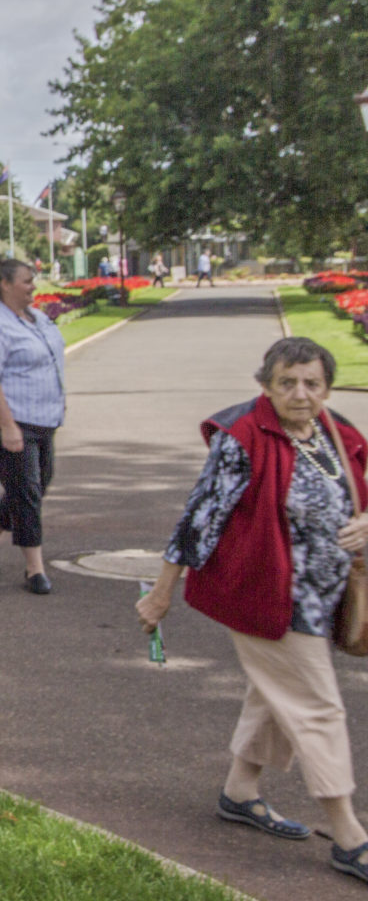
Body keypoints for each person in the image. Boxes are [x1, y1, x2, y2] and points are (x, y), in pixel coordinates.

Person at [136, 338, 368, 884]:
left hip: (324, 595)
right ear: (265, 384)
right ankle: (349, 834)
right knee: (317, 707)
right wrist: (162, 591)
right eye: (286, 382)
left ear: (327, 387)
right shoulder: (244, 438)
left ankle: (240, 792)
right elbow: (199, 518)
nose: (300, 394)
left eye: (312, 383)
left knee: (275, 692)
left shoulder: (335, 432)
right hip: (268, 596)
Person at [0, 257, 66, 594]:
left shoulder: (38, 319)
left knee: (37, 483)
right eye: (26, 281)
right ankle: (34, 569)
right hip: (7, 418)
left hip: (42, 418)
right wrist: (8, 426)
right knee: (27, 492)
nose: (33, 286)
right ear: (5, 285)